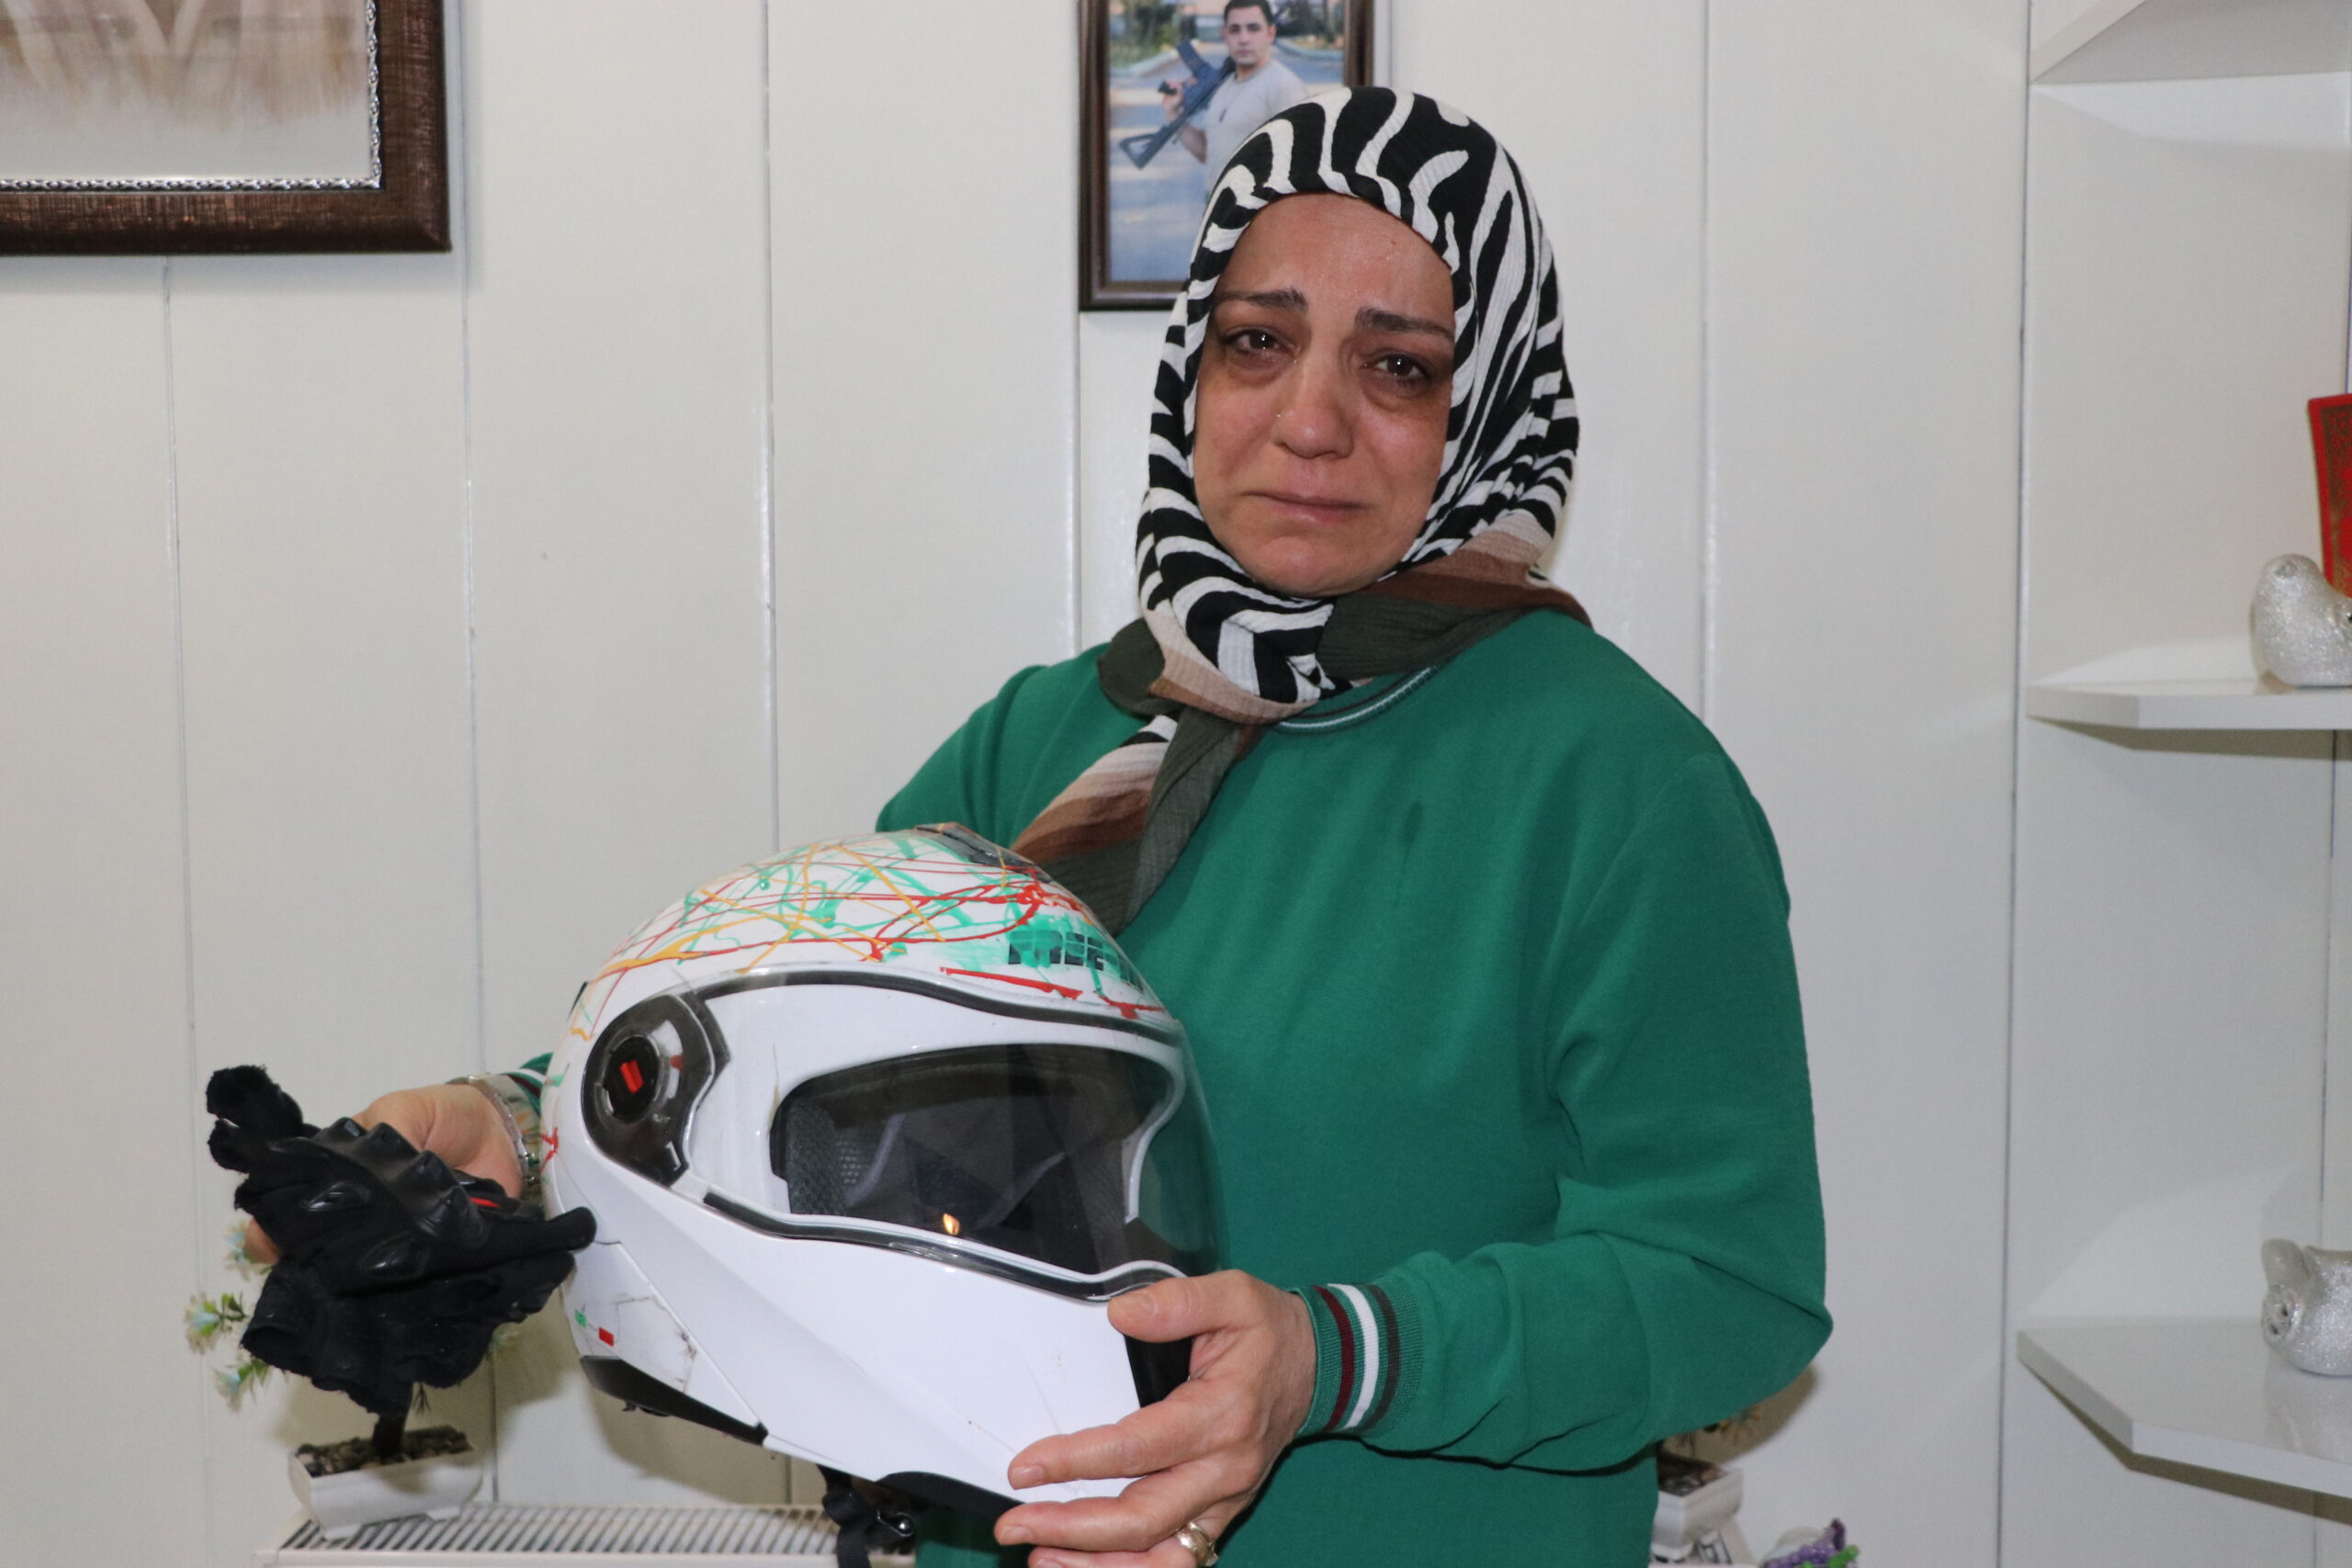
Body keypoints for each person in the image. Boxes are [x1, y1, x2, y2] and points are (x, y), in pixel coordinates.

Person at [269, 89, 1828, 1568]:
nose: (1309, 419)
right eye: (1259, 341)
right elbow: (801, 1036)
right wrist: (513, 1128)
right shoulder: (1059, 736)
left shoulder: (1614, 780)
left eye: (1399, 367)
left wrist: (1333, 1355)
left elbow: (1730, 1283)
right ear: (1194, 368)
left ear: (1487, 402)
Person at [1160, 1, 1306, 181]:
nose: (1243, 39)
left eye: (1253, 29)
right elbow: (1208, 152)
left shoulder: (1284, 86)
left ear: (1271, 33)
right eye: (1235, 30)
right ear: (1225, 35)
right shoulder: (1225, 86)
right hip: (1218, 198)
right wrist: (1172, 113)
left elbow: (1301, 165)